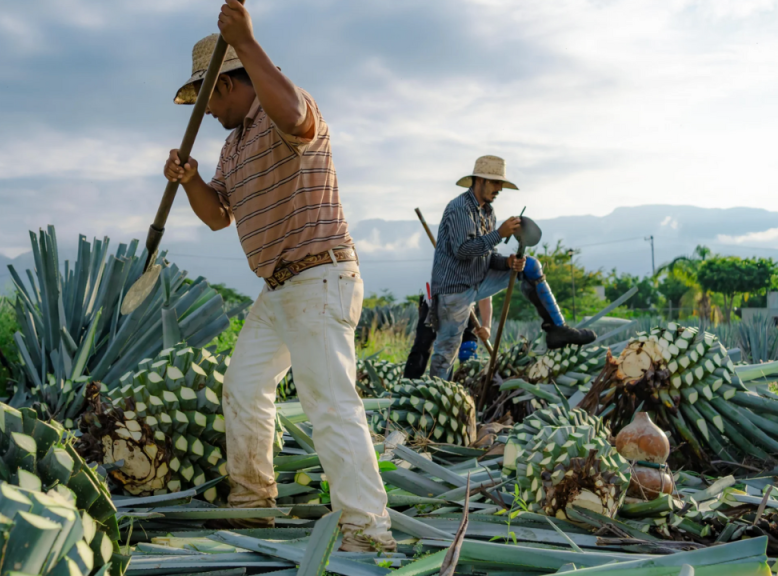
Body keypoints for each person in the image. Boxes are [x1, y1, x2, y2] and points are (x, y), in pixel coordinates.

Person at [162, 1, 395, 552]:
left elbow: (293, 114)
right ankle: (252, 507)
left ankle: (368, 532)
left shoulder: (284, 110)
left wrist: (244, 41)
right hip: (278, 287)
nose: (206, 111)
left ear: (225, 85)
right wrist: (192, 179)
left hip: (318, 276)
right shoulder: (231, 144)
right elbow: (219, 216)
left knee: (329, 403)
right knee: (243, 386)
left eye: (206, 97)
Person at [428, 156, 595, 380]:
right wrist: (500, 234)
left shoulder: (487, 212)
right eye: (495, 183)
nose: (499, 189)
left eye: (501, 184)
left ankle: (557, 329)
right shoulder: (459, 209)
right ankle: (436, 398)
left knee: (530, 266)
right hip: (454, 289)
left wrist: (506, 263)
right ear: (480, 180)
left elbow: (487, 255)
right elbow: (463, 251)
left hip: (479, 280)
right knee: (446, 352)